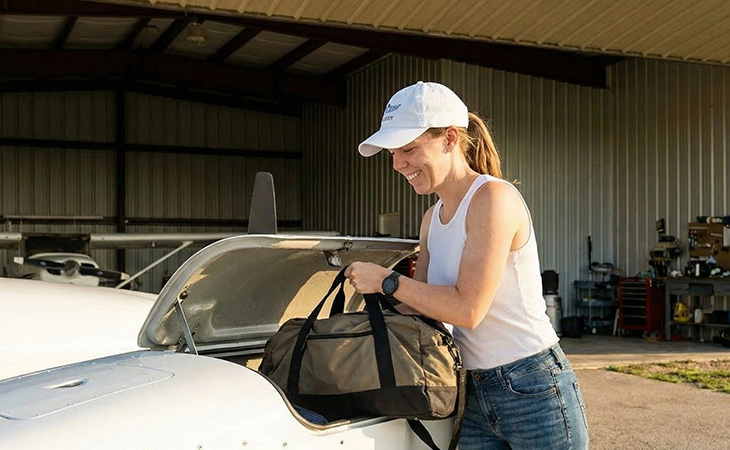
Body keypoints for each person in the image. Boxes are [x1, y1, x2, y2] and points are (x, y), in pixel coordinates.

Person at [345, 81, 589, 449]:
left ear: (449, 139)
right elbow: (420, 307)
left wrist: (387, 281)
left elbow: (468, 309)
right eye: (393, 153)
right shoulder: (431, 218)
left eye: (408, 149)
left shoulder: (493, 198)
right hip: (470, 389)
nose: (397, 164)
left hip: (531, 386)